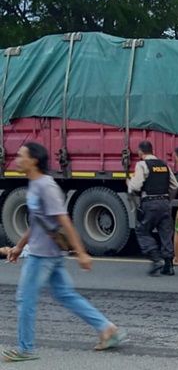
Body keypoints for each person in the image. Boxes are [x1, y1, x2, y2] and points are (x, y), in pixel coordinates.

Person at [2, 142, 126, 363]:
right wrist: (19, 246)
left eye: (21, 156)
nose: (17, 159)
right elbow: (38, 221)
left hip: (43, 256)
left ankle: (26, 349)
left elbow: (64, 220)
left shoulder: (46, 186)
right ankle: (107, 328)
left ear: (34, 160)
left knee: (25, 298)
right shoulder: (35, 184)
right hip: (47, 253)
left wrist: (81, 253)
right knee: (64, 294)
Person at [127, 140, 178, 276]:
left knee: (142, 231)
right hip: (165, 203)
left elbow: (136, 186)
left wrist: (129, 183)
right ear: (153, 151)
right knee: (166, 233)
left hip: (150, 203)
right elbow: (175, 186)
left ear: (140, 152)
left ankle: (156, 259)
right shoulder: (164, 165)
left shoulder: (142, 165)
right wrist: (168, 199)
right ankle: (169, 266)